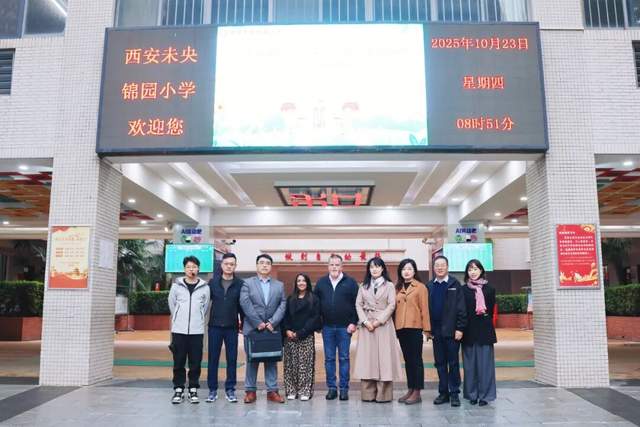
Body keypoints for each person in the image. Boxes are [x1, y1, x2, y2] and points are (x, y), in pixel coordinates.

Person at [353, 257, 403, 403]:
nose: (374, 269)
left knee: (384, 359)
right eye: (371, 267)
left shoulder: (389, 286)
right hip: (366, 326)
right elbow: (358, 304)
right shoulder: (363, 286)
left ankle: (383, 395)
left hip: (384, 326)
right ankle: (368, 394)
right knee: (368, 359)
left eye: (377, 266)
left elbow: (392, 305)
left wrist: (378, 321)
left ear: (382, 269)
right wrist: (365, 321)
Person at [239, 253, 287, 404]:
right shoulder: (247, 283)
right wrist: (258, 322)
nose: (265, 265)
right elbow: (245, 303)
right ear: (257, 265)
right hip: (253, 329)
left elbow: (283, 304)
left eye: (267, 263)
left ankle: (272, 391)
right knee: (252, 360)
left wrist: (273, 321)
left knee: (271, 359)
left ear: (271, 267)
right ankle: (250, 391)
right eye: (262, 262)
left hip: (272, 328)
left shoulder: (279, 285)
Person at [314, 254, 359, 401]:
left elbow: (358, 304)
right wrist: (319, 324)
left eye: (337, 265)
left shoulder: (351, 283)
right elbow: (315, 305)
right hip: (327, 328)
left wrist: (354, 322)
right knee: (329, 359)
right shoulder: (321, 283)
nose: (334, 267)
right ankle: (332, 388)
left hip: (345, 328)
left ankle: (344, 389)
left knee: (344, 358)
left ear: (342, 266)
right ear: (328, 266)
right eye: (332, 264)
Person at [168, 255, 210, 404]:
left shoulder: (205, 287)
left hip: (197, 331)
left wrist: (197, 318)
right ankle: (178, 389)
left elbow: (205, 307)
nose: (191, 269)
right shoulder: (176, 286)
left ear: (198, 269)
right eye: (188, 267)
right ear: (184, 269)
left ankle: (193, 388)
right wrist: (178, 318)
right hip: (179, 330)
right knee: (178, 360)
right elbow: (172, 305)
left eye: (194, 267)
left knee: (195, 362)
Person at [427, 255, 467, 407]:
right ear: (434, 268)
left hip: (452, 331)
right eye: (437, 265)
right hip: (436, 332)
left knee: (453, 363)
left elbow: (461, 308)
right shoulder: (429, 286)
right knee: (440, 363)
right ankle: (443, 392)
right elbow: (427, 309)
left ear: (447, 267)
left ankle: (454, 393)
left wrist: (460, 328)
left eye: (442, 265)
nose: (440, 268)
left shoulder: (455, 284)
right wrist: (428, 329)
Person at [206, 253, 244, 403]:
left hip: (231, 327)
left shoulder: (240, 284)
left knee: (232, 359)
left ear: (235, 266)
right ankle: (212, 390)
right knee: (213, 359)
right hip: (215, 326)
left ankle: (230, 389)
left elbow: (242, 306)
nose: (229, 266)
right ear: (221, 265)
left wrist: (243, 323)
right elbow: (204, 302)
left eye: (232, 264)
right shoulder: (212, 283)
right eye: (226, 264)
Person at [394, 258, 431, 405]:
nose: (406, 271)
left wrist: (427, 330)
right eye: (404, 269)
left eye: (409, 268)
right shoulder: (397, 287)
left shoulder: (421, 287)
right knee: (408, 360)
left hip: (415, 327)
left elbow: (425, 309)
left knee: (416, 360)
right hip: (401, 328)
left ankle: (417, 391)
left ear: (414, 271)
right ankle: (410, 388)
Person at [461, 259, 497, 407]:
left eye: (475, 269)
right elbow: (461, 311)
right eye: (470, 269)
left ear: (481, 270)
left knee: (485, 367)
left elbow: (490, 310)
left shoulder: (490, 289)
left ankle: (485, 396)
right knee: (470, 367)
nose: (473, 272)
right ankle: (472, 395)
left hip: (484, 332)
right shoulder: (463, 290)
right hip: (468, 332)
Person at [282, 273, 320, 401]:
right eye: (299, 281)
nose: (301, 283)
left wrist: (301, 332)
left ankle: (305, 391)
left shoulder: (313, 299)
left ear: (307, 283)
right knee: (291, 365)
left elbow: (314, 318)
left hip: (306, 336)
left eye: (304, 280)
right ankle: (291, 390)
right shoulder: (290, 298)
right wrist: (287, 330)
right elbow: (285, 316)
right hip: (290, 336)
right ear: (296, 283)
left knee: (305, 365)